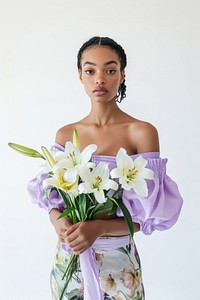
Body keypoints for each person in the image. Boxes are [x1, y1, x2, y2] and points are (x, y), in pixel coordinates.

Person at [27, 36, 183, 300]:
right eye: (90, 71)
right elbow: (52, 200)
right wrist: (59, 222)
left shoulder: (141, 132)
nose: (99, 79)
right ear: (80, 76)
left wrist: (98, 228)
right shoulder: (66, 135)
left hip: (119, 265)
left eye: (110, 70)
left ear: (122, 75)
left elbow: (146, 218)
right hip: (70, 260)